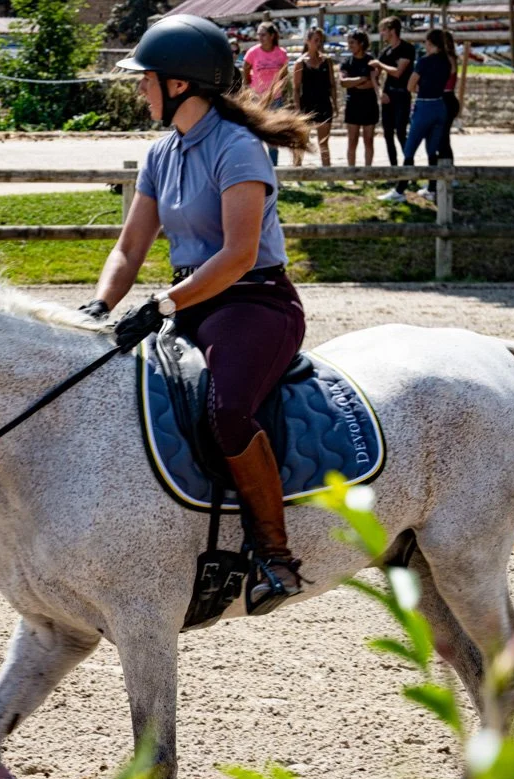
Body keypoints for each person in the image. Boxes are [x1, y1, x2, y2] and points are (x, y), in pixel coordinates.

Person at [90, 14, 312, 614]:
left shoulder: (238, 147)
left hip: (253, 302)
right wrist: (100, 305)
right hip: (190, 301)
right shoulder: (161, 153)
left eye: (147, 79)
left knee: (228, 410)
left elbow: (238, 255)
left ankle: (274, 555)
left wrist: (163, 305)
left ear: (179, 84)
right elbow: (129, 248)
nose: (140, 88)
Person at [381, 28, 452, 204]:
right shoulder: (446, 61)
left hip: (424, 107)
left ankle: (400, 189)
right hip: (439, 106)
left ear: (430, 43)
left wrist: (421, 88)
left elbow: (410, 86)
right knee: (432, 150)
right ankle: (432, 188)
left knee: (409, 149)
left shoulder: (424, 61)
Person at [368, 17, 416, 170]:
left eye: (383, 30)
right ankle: (394, 170)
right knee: (388, 134)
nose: (381, 34)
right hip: (388, 96)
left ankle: (409, 169)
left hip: (402, 95)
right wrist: (379, 93)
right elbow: (374, 75)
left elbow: (398, 72)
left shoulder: (407, 49)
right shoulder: (386, 51)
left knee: (401, 132)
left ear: (392, 30)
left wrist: (380, 64)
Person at [243, 22, 290, 165]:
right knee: (255, 133)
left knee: (273, 134)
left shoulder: (281, 53)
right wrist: (250, 87)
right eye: (259, 35)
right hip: (257, 98)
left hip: (275, 98)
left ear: (272, 36)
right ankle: (256, 165)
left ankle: (274, 166)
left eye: (263, 35)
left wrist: (281, 90)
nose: (260, 37)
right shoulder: (252, 52)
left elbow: (284, 75)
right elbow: (246, 70)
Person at [292, 27, 337, 167]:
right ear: (308, 41)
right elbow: (296, 89)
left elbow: (332, 85)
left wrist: (335, 104)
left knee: (323, 142)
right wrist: (298, 109)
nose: (318, 43)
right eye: (316, 40)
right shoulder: (300, 62)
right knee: (301, 141)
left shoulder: (327, 61)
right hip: (307, 105)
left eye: (320, 41)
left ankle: (327, 173)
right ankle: (296, 171)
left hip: (324, 104)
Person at [426, 29, 462, 199]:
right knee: (442, 140)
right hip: (443, 99)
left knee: (441, 140)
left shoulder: (448, 59)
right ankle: (445, 174)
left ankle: (444, 177)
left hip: (445, 99)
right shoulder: (447, 58)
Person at [340, 29, 380, 168]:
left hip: (369, 105)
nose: (349, 46)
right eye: (349, 42)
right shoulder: (347, 62)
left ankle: (367, 171)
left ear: (361, 43)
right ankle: (351, 172)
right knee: (352, 141)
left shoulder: (371, 61)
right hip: (353, 105)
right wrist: (361, 79)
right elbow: (343, 82)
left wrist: (354, 83)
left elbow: (373, 83)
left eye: (352, 43)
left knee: (368, 141)